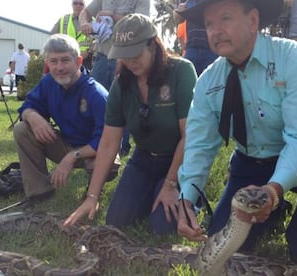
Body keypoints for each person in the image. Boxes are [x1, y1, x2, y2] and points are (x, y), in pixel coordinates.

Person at [175, 0, 297, 275]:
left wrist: (274, 190)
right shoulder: (208, 82)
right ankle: (273, 213)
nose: (215, 30)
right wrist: (186, 200)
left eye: (225, 18)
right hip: (250, 163)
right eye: (208, 24)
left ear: (253, 21)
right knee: (224, 244)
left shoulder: (295, 60)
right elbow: (199, 147)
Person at [64, 14, 197, 236]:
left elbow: (189, 136)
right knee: (116, 221)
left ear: (153, 45)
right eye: (124, 55)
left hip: (178, 161)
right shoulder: (121, 84)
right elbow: (108, 143)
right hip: (143, 159)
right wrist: (92, 197)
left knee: (162, 229)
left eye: (135, 53)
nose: (130, 61)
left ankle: (182, 195)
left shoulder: (181, 71)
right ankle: (148, 195)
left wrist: (170, 183)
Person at [13, 34, 112, 208]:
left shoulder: (97, 94)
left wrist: (71, 157)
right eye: (53, 61)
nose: (59, 67)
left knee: (108, 162)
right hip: (65, 144)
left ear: (79, 61)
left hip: (96, 150)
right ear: (47, 63)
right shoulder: (48, 83)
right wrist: (33, 116)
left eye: (65, 60)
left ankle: (93, 191)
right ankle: (40, 191)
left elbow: (107, 141)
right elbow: (28, 105)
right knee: (22, 129)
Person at [79, 0, 150, 158]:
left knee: (125, 101)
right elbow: (85, 12)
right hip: (102, 56)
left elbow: (142, 24)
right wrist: (84, 22)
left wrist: (112, 15)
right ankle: (94, 144)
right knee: (92, 98)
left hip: (127, 57)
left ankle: (120, 148)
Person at [174, 0, 218, 75]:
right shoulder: (188, 2)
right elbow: (177, 18)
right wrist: (179, 10)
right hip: (192, 49)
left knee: (212, 81)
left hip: (210, 49)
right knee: (189, 79)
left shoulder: (212, 2)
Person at [50, 0, 93, 71]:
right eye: (75, 3)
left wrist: (89, 51)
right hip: (65, 60)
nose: (78, 6)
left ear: (85, 6)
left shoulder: (93, 21)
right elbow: (52, 39)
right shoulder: (63, 20)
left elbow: (99, 42)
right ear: (71, 5)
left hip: (87, 61)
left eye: (81, 4)